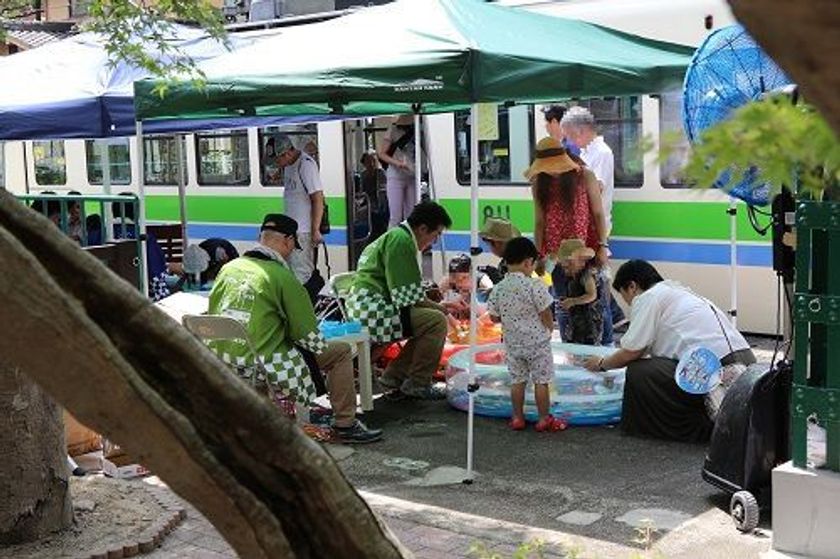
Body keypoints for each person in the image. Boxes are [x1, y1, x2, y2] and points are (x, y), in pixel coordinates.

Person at [209, 213, 382, 443]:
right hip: (264, 363)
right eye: (293, 246)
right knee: (340, 352)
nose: (292, 251)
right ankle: (346, 424)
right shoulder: (281, 277)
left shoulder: (229, 269)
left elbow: (212, 310)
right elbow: (307, 335)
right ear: (288, 241)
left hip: (224, 358)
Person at [583, 260, 756, 443]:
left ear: (632, 286)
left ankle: (697, 428)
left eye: (626, 297)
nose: (629, 304)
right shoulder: (679, 292)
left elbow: (631, 352)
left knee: (639, 371)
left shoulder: (649, 297)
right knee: (654, 366)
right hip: (745, 361)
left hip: (716, 368)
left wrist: (602, 364)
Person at [346, 201, 452, 400]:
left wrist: (439, 307)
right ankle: (417, 383)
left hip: (369, 307)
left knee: (430, 320)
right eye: (435, 234)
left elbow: (409, 295)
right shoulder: (401, 241)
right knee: (435, 322)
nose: (434, 241)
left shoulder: (397, 237)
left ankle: (394, 378)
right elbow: (408, 297)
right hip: (374, 312)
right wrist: (443, 310)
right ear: (422, 229)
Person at [526, 136, 609, 338]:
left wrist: (603, 245)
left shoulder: (585, 176)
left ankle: (605, 347)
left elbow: (598, 213)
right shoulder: (539, 183)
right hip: (557, 256)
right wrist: (538, 255)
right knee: (563, 303)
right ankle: (569, 344)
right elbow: (539, 222)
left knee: (597, 301)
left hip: (585, 251)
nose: (551, 170)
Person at [561, 106, 626, 340]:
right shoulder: (590, 151)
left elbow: (595, 187)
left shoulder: (601, 152)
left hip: (594, 230)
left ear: (579, 131)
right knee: (595, 288)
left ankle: (606, 340)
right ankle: (605, 336)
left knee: (597, 291)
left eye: (568, 135)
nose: (568, 141)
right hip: (588, 229)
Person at [487, 237, 564, 432]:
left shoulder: (498, 289)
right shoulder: (535, 286)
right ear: (528, 262)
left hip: (513, 344)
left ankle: (517, 418)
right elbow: (546, 312)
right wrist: (548, 329)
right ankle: (543, 418)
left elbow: (494, 318)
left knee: (517, 381)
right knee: (541, 381)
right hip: (537, 343)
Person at [274, 134, 325, 285]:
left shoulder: (306, 165)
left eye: (278, 160)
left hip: (303, 231)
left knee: (301, 274)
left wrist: (315, 230)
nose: (277, 164)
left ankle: (304, 304)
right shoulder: (290, 165)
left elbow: (317, 198)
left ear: (287, 153)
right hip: (291, 231)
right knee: (291, 271)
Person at [557, 238, 603, 345]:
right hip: (577, 320)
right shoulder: (574, 274)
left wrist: (572, 301)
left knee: (588, 347)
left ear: (582, 260)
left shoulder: (587, 274)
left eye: (568, 265)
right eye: (564, 267)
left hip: (589, 322)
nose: (566, 270)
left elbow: (592, 295)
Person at [377, 114, 421, 227]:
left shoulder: (418, 130)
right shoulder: (392, 130)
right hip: (395, 175)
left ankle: (408, 241)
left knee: (411, 215)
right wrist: (398, 164)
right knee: (395, 216)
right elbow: (381, 154)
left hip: (412, 175)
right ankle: (391, 243)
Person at [478, 217, 521, 285]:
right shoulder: (508, 260)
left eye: (488, 244)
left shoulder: (514, 263)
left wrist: (497, 279)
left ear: (496, 243)